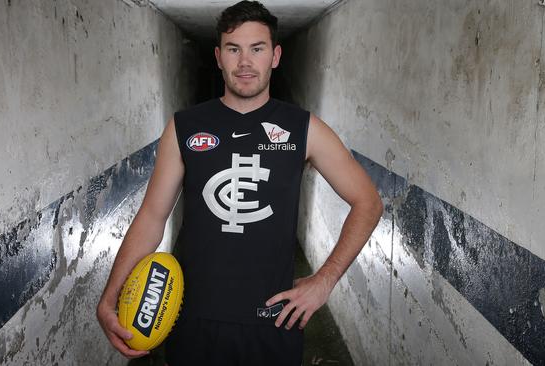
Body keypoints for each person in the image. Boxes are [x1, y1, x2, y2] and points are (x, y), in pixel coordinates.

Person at [97, 1, 383, 365]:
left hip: (273, 321)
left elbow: (368, 202)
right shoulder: (184, 127)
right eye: (234, 49)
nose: (245, 62)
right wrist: (110, 296)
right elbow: (152, 217)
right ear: (218, 56)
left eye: (257, 49)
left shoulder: (304, 129)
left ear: (275, 56)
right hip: (193, 319)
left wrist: (323, 281)